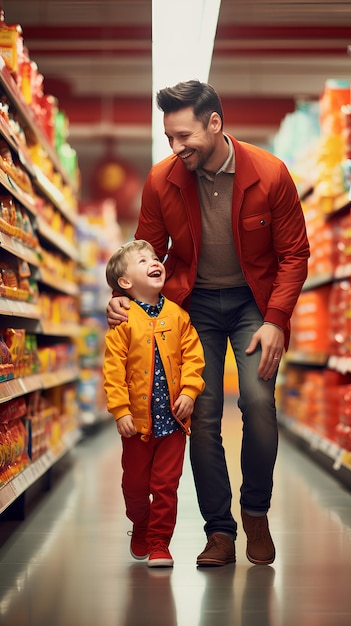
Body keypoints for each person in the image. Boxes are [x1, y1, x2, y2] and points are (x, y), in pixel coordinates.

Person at [106, 80, 310, 567]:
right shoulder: (162, 181)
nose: (176, 149)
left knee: (259, 404)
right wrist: (120, 298)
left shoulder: (270, 173)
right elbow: (142, 255)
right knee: (200, 412)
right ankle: (219, 530)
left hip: (252, 305)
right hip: (192, 307)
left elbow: (294, 254)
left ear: (214, 123)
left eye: (184, 137)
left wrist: (277, 319)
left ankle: (255, 512)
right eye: (169, 139)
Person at [103, 239, 205, 568]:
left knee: (166, 486)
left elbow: (193, 358)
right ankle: (140, 523)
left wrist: (189, 392)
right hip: (136, 424)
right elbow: (113, 370)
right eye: (143, 260)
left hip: (172, 423)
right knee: (133, 485)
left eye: (154, 257)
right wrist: (120, 410)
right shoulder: (122, 322)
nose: (154, 260)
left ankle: (160, 542)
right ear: (125, 283)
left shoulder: (178, 316)